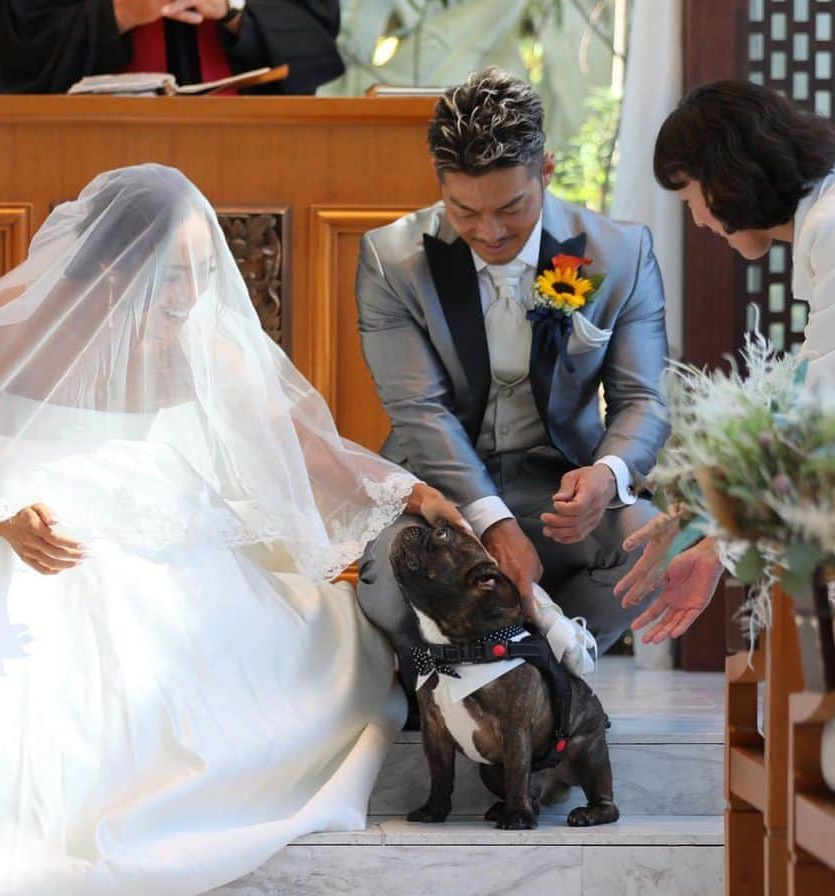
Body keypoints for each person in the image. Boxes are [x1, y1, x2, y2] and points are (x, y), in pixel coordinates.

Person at [0, 164, 468, 895]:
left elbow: (303, 443)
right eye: (172, 276)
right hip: (24, 527)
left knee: (285, 659)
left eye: (199, 271)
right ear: (107, 268)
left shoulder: (198, 338)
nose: (193, 294)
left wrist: (411, 492)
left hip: (154, 515)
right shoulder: (13, 318)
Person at [354, 68, 671, 705]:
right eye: (465, 210)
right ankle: (443, 687)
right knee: (382, 583)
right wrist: (491, 525)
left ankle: (550, 678)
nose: (491, 232)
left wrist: (607, 474)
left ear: (546, 170)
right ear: (440, 186)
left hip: (560, 494)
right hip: (437, 497)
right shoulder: (391, 260)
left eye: (512, 208)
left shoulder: (621, 254)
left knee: (653, 548)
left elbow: (644, 399)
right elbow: (420, 411)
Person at [617, 80, 835, 644]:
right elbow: (807, 383)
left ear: (726, 176)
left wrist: (716, 536)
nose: (698, 222)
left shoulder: (829, 229)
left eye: (689, 198)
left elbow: (819, 416)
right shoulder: (820, 227)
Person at [0, 0, 343, 95]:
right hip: (94, 164)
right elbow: (16, 60)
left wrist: (233, 11)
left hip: (251, 163)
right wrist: (121, 12)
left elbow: (317, 46)